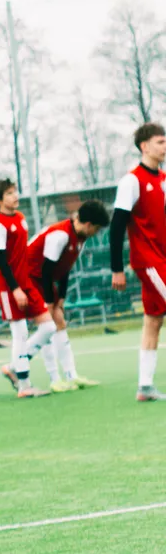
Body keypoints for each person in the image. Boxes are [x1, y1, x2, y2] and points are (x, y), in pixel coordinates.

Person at [18, 200, 110, 391]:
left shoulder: (81, 238)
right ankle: (52, 378)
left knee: (59, 322)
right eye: (97, 229)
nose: (97, 233)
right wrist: (49, 302)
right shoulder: (60, 235)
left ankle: (71, 376)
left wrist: (61, 298)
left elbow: (66, 267)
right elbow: (46, 268)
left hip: (45, 278)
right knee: (48, 325)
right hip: (30, 277)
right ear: (88, 224)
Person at [109, 121, 166, 401]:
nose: (164, 146)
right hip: (148, 260)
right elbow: (117, 227)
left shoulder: (163, 179)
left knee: (153, 321)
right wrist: (117, 269)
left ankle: (144, 387)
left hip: (162, 259)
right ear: (144, 146)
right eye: (160, 142)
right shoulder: (131, 181)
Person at [0, 179, 49, 398]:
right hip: (8, 286)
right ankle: (24, 385)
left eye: (15, 191)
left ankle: (14, 366)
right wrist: (15, 289)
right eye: (10, 193)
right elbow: (1, 261)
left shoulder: (21, 219)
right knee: (20, 333)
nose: (15, 196)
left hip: (26, 283)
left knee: (48, 326)